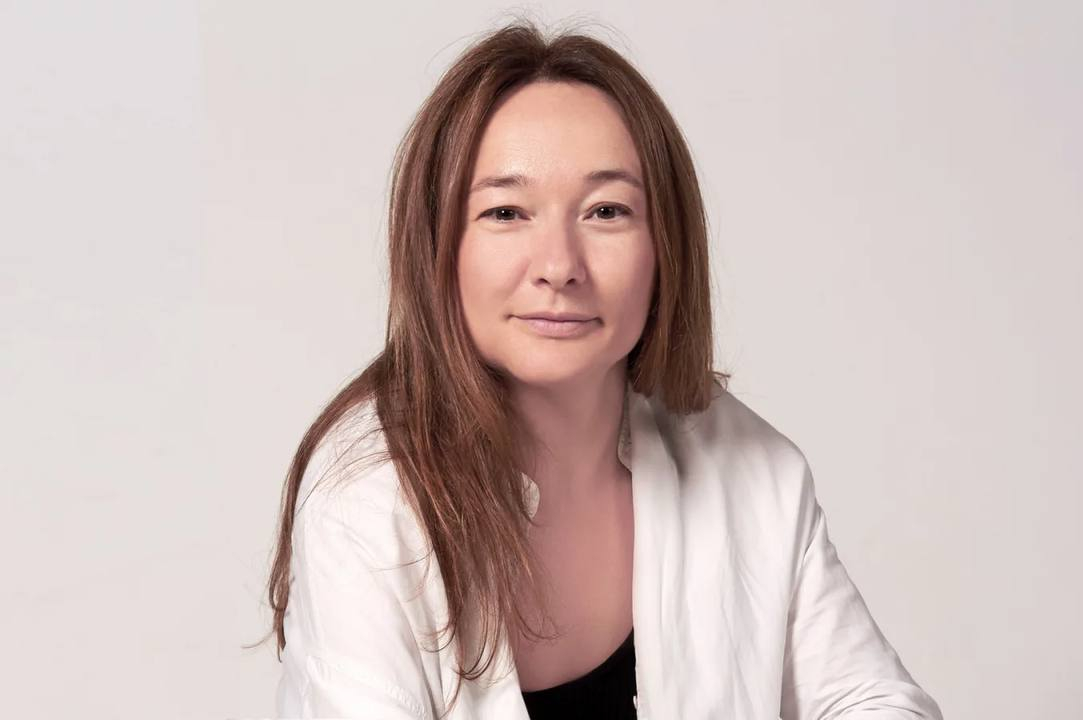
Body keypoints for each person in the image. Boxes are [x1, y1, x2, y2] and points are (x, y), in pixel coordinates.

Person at [258, 18, 943, 720]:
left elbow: (872, 700)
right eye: (506, 212)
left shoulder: (748, 466)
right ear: (438, 245)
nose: (559, 266)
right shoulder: (365, 499)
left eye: (606, 211)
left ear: (665, 244)